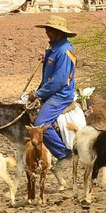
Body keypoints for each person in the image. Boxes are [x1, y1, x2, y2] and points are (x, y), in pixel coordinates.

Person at [31, 16, 78, 160]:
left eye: (50, 30)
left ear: (59, 32)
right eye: (47, 29)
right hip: (51, 91)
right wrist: (46, 59)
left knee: (40, 124)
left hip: (60, 95)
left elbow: (59, 81)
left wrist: (38, 94)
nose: (47, 32)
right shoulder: (54, 48)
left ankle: (63, 154)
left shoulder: (64, 51)